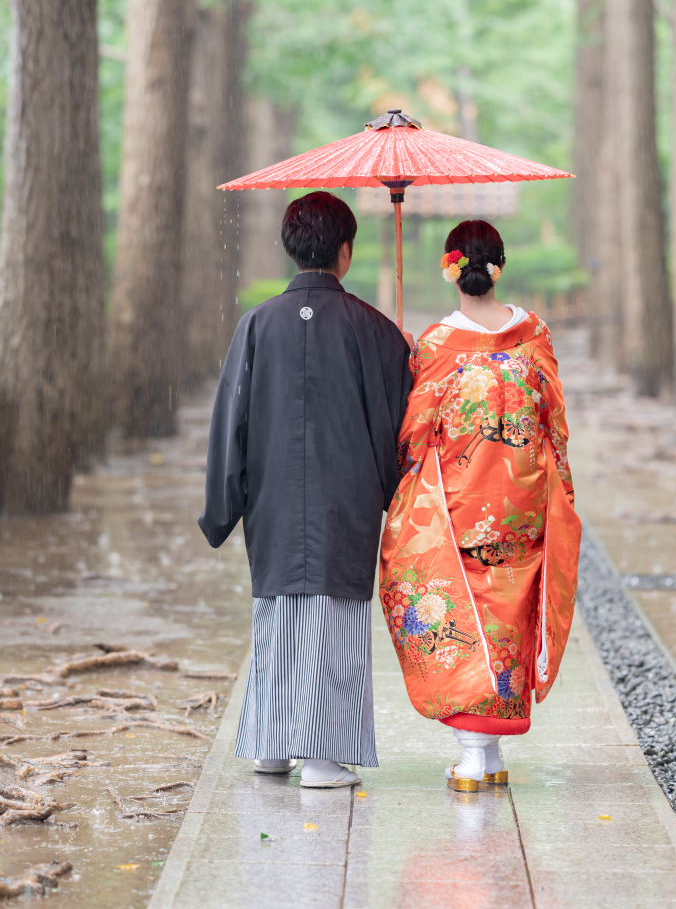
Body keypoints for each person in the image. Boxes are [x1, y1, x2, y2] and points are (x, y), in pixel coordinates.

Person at [199, 190, 412, 788]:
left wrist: (224, 506)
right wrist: (404, 356)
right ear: (345, 253)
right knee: (332, 619)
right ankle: (320, 757)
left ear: (292, 249)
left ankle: (270, 744)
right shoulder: (373, 329)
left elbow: (229, 424)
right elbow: (400, 425)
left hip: (270, 496)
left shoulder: (256, 325)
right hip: (345, 499)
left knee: (277, 613)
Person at [379, 219, 581, 792]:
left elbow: (415, 432)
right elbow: (555, 422)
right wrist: (556, 485)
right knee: (509, 617)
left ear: (451, 269)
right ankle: (486, 753)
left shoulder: (439, 345)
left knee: (464, 617)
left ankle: (473, 752)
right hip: (523, 500)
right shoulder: (533, 332)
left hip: (459, 504)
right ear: (500, 265)